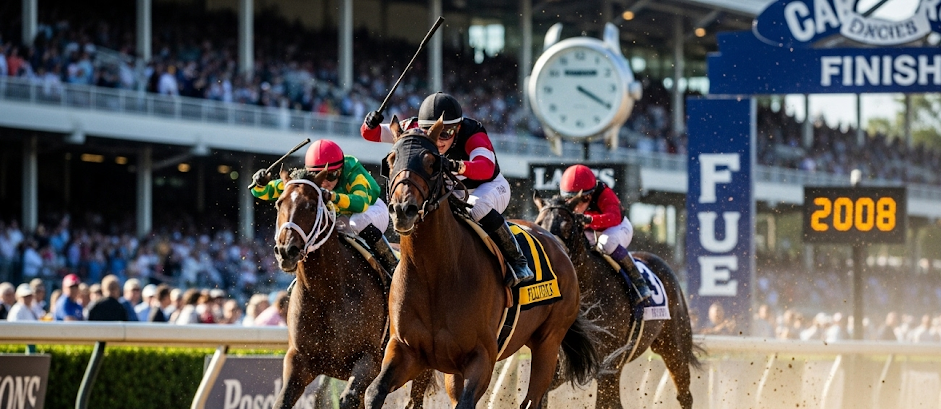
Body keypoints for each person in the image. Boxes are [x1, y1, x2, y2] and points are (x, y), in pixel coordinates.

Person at [362, 92, 533, 285]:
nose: (439, 140)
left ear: (458, 128)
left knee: (476, 207)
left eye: (446, 133)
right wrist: (370, 123)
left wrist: (454, 165)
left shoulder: (472, 133)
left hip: (486, 187)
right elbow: (370, 134)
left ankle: (517, 260)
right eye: (432, 132)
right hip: (451, 192)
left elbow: (486, 168)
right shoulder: (411, 127)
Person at [251, 139, 398, 274]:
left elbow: (361, 204)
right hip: (341, 217)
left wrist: (333, 197)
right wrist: (259, 185)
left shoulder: (352, 171)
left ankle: (390, 263)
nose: (325, 182)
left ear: (340, 170)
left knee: (357, 222)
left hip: (371, 211)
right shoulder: (310, 181)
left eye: (331, 175)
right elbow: (268, 191)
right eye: (319, 176)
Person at [559, 164, 651, 304]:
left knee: (606, 243)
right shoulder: (572, 199)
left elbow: (614, 217)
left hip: (617, 227)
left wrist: (590, 220)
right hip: (592, 230)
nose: (573, 206)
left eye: (577, 201)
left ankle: (638, 281)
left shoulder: (604, 194)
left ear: (588, 196)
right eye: (568, 200)